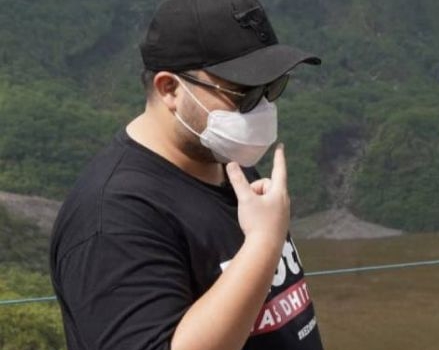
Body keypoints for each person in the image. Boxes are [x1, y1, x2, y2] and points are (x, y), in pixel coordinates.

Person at [49, 0, 323, 349]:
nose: (263, 109)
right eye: (244, 93)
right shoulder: (112, 217)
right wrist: (263, 243)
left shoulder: (224, 159)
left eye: (272, 88)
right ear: (170, 89)